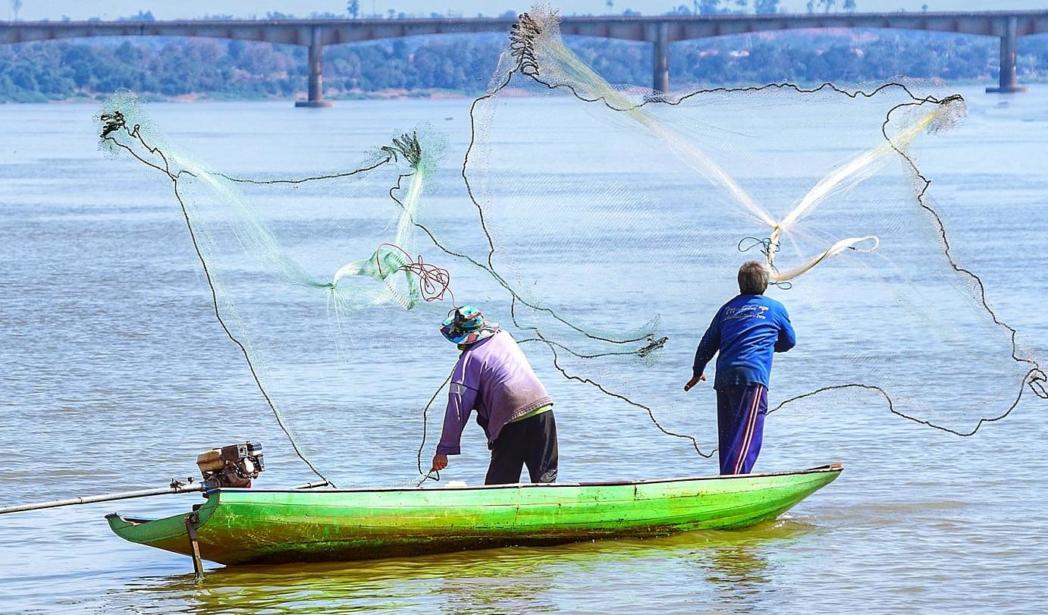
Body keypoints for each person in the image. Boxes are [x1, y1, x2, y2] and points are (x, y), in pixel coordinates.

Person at [684, 261, 796, 475]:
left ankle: (726, 479)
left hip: (725, 378)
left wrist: (697, 372)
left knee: (729, 436)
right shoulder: (775, 308)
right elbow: (789, 342)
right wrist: (768, 344)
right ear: (765, 284)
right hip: (751, 379)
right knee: (748, 435)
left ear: (740, 284)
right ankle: (733, 484)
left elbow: (707, 343)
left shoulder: (727, 309)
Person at [431, 305, 558, 485]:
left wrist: (444, 450)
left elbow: (457, 408)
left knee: (500, 485)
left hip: (511, 418)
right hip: (542, 407)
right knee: (545, 479)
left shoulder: (468, 361)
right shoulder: (505, 337)